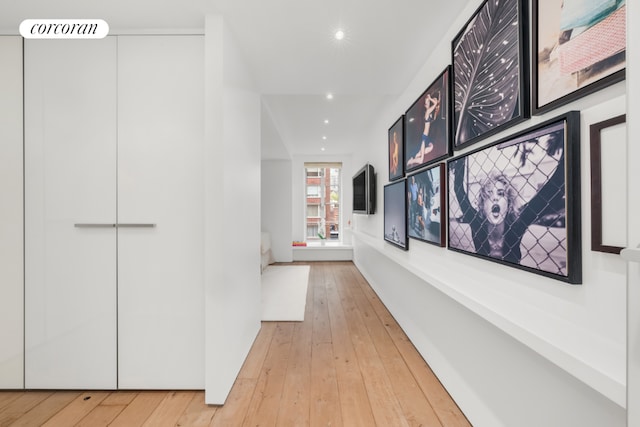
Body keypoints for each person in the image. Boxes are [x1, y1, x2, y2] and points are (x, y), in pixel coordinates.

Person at [452, 132, 565, 264]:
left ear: (509, 202)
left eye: (500, 193)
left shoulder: (516, 225)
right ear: (483, 204)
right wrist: (461, 146)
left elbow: (554, 190)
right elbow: (459, 190)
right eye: (489, 194)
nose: (494, 198)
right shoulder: (476, 223)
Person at [407, 92, 440, 167]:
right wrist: (430, 98)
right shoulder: (427, 112)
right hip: (425, 135)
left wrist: (435, 103)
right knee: (423, 155)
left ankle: (413, 159)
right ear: (426, 105)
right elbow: (435, 103)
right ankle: (415, 160)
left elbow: (434, 117)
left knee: (429, 148)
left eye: (428, 102)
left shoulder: (430, 113)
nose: (428, 102)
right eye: (427, 102)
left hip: (427, 136)